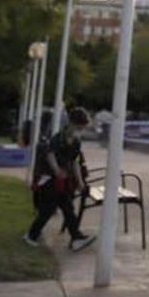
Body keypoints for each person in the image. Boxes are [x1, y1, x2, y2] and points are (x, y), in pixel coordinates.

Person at [24, 107, 97, 252]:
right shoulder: (59, 137)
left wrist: (80, 182)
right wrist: (57, 170)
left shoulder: (76, 141)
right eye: (79, 126)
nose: (81, 129)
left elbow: (75, 161)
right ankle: (31, 235)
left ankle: (76, 237)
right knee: (49, 209)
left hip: (62, 180)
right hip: (50, 178)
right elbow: (49, 153)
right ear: (73, 123)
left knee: (67, 208)